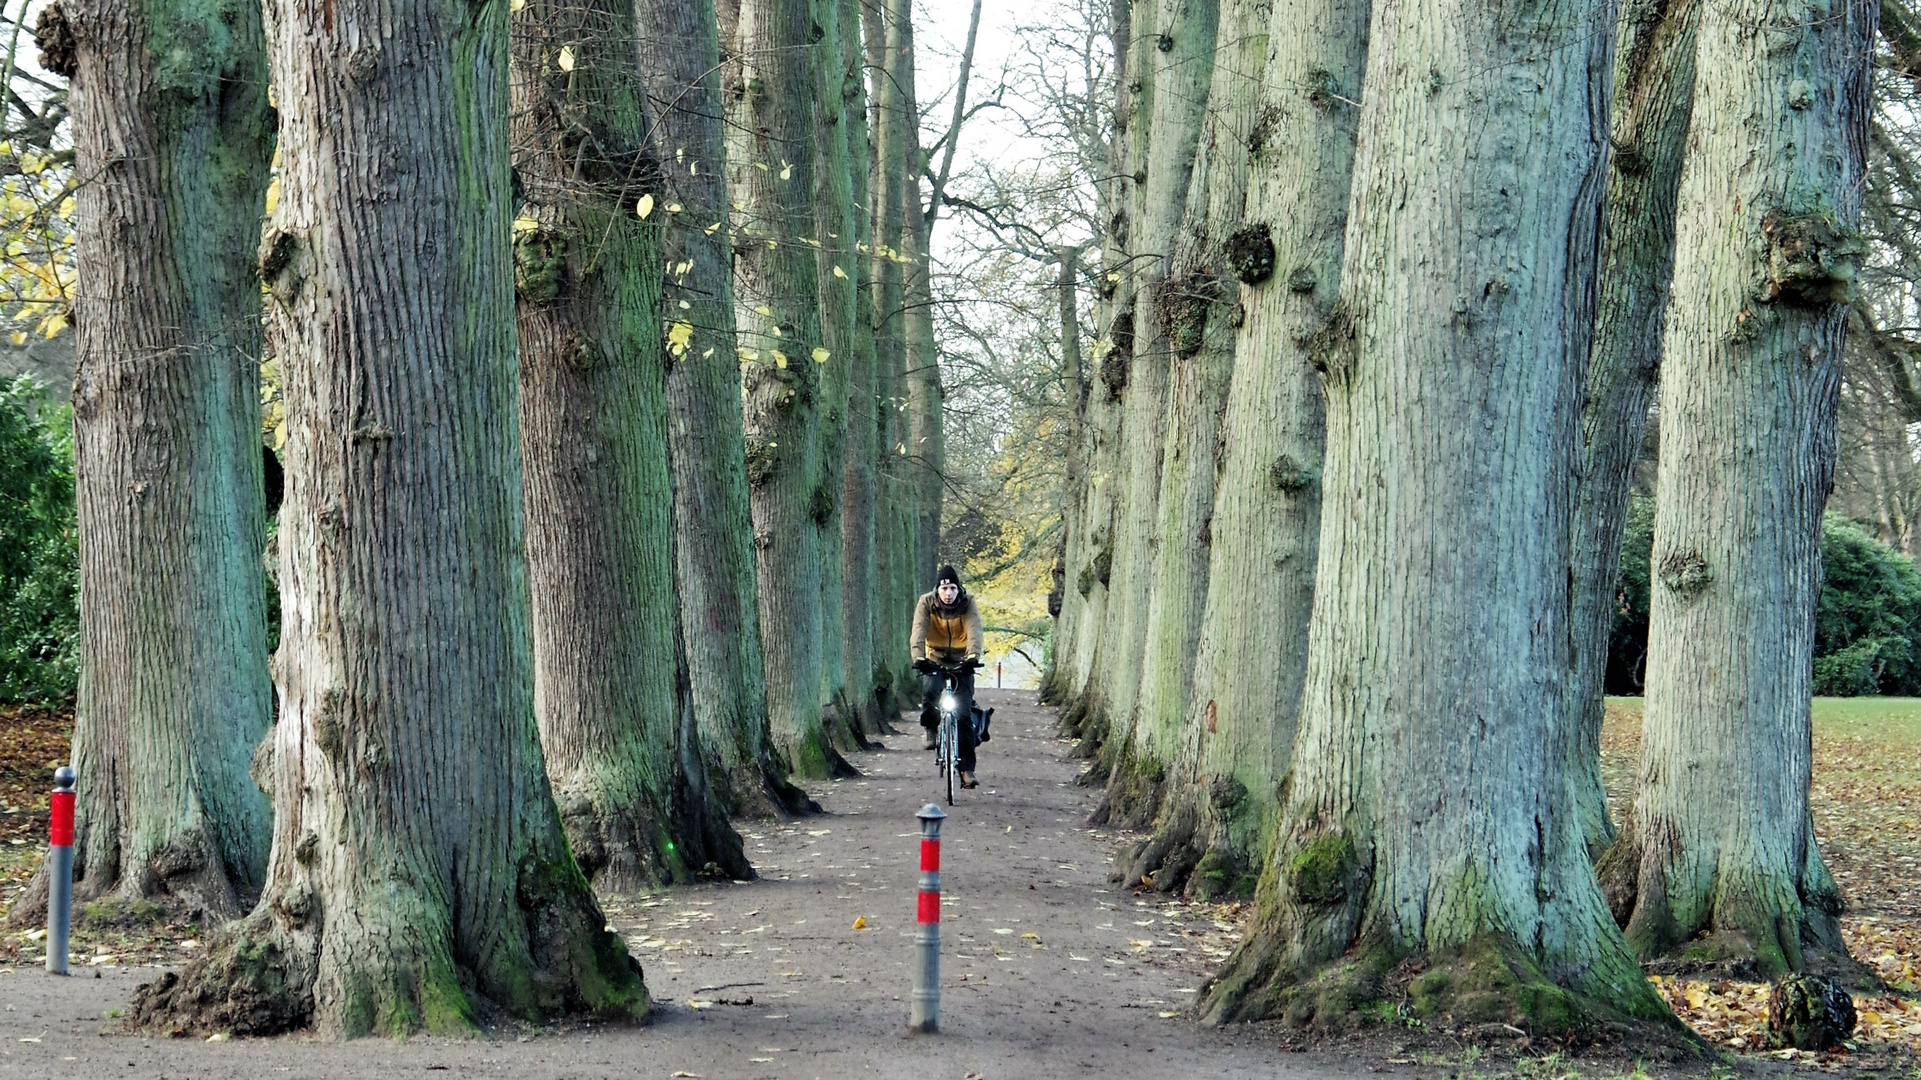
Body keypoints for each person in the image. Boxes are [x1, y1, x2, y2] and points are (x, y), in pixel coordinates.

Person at [910, 565, 983, 788]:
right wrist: (919, 658)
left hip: (963, 661)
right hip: (935, 658)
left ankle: (966, 770)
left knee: (963, 715)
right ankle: (931, 728)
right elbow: (918, 630)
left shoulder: (968, 602)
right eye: (944, 589)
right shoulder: (926, 603)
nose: (948, 593)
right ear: (937, 590)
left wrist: (973, 656)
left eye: (952, 588)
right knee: (931, 690)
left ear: (958, 588)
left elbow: (975, 630)